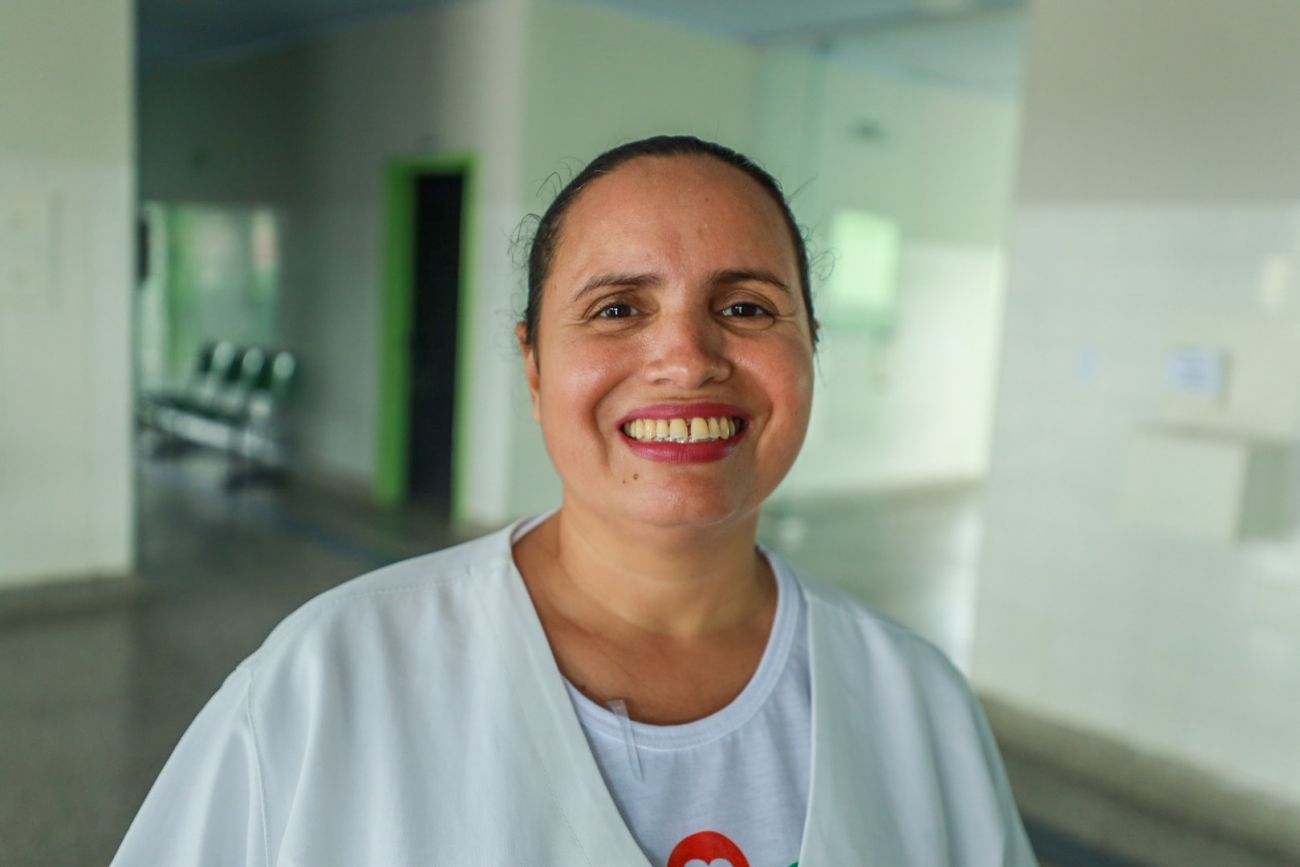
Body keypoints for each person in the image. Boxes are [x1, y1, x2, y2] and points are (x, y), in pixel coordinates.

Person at [111, 135, 1037, 866]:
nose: (687, 359)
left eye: (748, 307)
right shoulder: (327, 679)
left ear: (809, 350)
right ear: (533, 365)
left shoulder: (918, 707)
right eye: (618, 308)